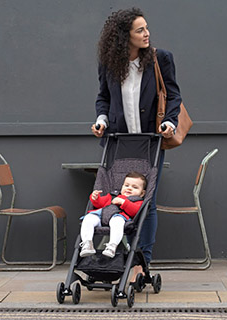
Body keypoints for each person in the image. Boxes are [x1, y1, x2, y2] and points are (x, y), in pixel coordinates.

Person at [91, 8, 182, 278]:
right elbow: (103, 98)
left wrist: (170, 122)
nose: (147, 34)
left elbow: (173, 95)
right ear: (124, 37)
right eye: (140, 30)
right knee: (117, 200)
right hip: (119, 142)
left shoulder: (160, 58)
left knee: (147, 200)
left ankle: (142, 262)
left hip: (151, 140)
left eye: (146, 28)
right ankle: (118, 255)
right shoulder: (109, 63)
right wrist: (101, 120)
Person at [80, 171, 147, 258]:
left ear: (142, 193)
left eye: (134, 187)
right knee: (88, 218)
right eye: (126, 185)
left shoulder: (137, 201)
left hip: (118, 217)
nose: (129, 188)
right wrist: (95, 198)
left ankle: (112, 246)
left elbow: (135, 211)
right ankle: (87, 243)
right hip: (101, 216)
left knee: (117, 221)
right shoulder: (113, 195)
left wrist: (123, 202)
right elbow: (100, 204)